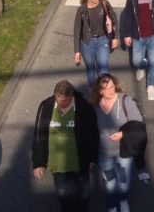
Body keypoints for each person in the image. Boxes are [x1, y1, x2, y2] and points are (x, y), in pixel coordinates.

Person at [31, 80, 99, 212]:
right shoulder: (46, 107)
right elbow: (39, 135)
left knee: (83, 195)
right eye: (59, 100)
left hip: (80, 162)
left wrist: (92, 158)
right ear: (55, 95)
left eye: (66, 101)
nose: (62, 104)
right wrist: (38, 162)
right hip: (59, 165)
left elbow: (93, 134)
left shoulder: (84, 108)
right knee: (63, 196)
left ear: (72, 96)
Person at [92, 75, 149, 212]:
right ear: (100, 91)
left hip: (123, 152)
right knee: (109, 184)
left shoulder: (125, 101)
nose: (110, 90)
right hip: (103, 154)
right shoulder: (94, 107)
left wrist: (123, 134)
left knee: (123, 183)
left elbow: (138, 124)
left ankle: (123, 199)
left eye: (112, 86)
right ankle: (112, 204)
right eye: (106, 89)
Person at [73, 0, 119, 91]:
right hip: (87, 43)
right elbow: (77, 30)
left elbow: (114, 20)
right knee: (91, 70)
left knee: (103, 70)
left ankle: (105, 93)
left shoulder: (104, 4)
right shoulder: (82, 10)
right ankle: (94, 95)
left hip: (103, 40)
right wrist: (77, 51)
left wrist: (115, 37)